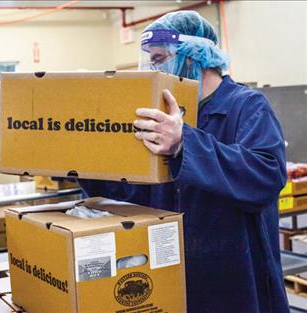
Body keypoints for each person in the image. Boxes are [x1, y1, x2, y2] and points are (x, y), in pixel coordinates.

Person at [79, 11, 289, 313]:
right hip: (177, 276)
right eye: (150, 60)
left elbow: (265, 177)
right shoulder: (167, 118)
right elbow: (140, 194)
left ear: (193, 57)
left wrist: (184, 143)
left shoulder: (246, 106)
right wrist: (88, 166)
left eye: (160, 58)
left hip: (235, 281)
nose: (153, 69)